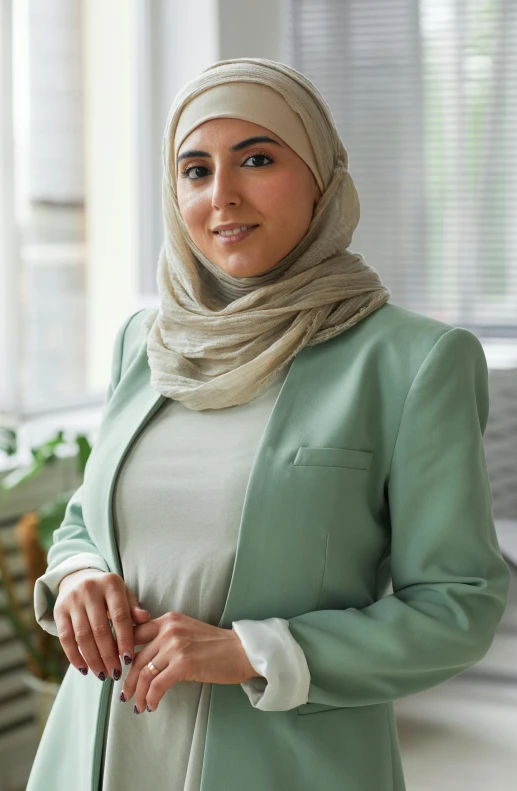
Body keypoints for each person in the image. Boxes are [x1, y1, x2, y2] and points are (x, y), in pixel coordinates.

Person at [27, 57, 510, 791]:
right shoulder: (145, 341)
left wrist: (253, 650)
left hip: (283, 762)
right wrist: (80, 575)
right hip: (97, 749)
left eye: (256, 158)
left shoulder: (411, 361)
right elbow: (88, 523)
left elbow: (456, 604)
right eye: (194, 169)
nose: (221, 196)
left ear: (321, 176)